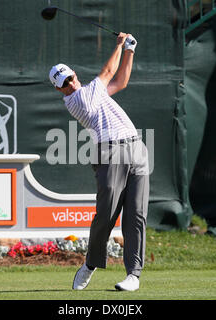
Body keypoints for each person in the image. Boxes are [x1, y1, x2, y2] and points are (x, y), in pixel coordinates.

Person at [49, 33, 149, 291]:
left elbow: (121, 80)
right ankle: (90, 265)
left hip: (136, 148)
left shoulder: (94, 92)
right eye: (64, 83)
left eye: (70, 78)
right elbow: (107, 70)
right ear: (59, 89)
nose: (70, 84)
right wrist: (118, 44)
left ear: (74, 74)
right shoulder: (78, 100)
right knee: (106, 215)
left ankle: (133, 275)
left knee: (136, 215)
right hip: (110, 153)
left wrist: (130, 50)